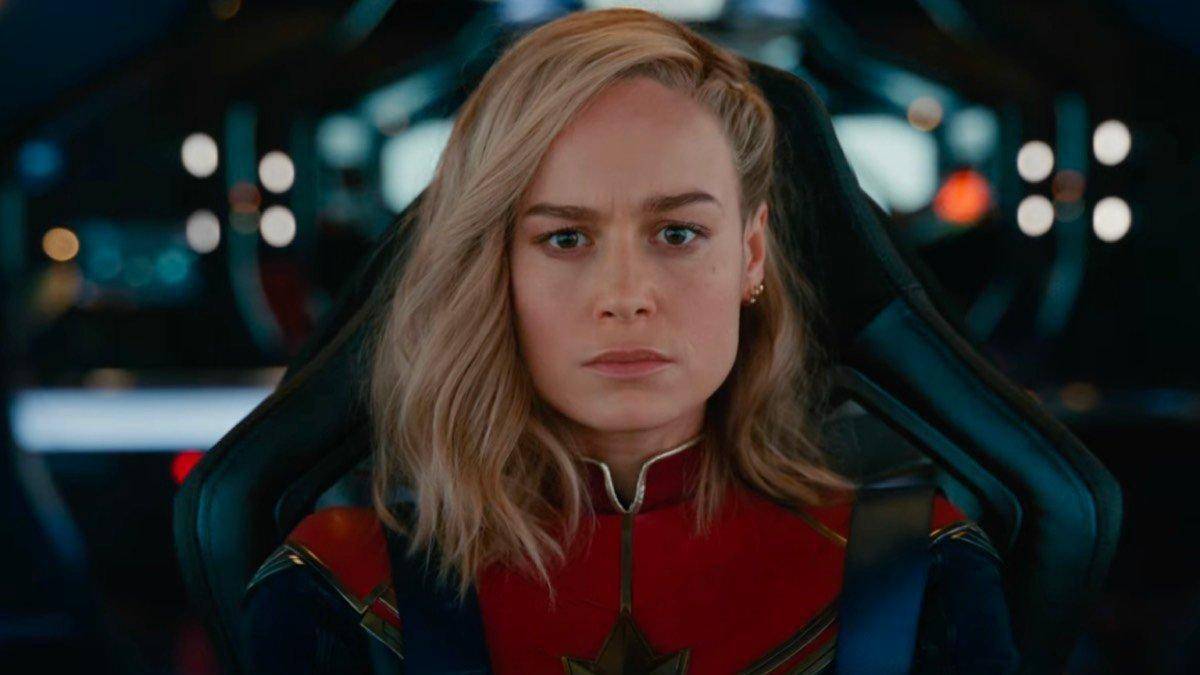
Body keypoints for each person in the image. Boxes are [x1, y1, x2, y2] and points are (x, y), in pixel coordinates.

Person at [238, 7, 1019, 674]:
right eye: (566, 238)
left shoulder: (915, 565)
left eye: (677, 233)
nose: (625, 296)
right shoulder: (338, 585)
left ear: (750, 255)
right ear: (495, 269)